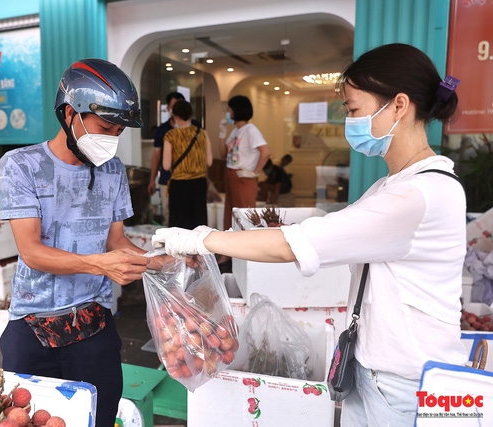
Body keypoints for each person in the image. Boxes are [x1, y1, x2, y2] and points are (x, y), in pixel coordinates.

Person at [152, 43, 467, 427]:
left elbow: (295, 243)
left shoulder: (419, 195)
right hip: (374, 369)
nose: (349, 121)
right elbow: (318, 235)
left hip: (406, 383)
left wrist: (204, 240)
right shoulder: (393, 186)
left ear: (399, 106)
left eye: (353, 109)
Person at [0, 58, 168, 427]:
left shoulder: (113, 171)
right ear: (71, 113)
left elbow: (116, 240)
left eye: (118, 131)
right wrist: (98, 263)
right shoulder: (20, 166)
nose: (112, 138)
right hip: (33, 326)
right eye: (105, 127)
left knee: (98, 418)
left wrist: (161, 263)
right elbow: (32, 252)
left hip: (94, 326)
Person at [148, 92, 201, 225]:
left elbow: (202, 156)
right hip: (168, 180)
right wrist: (152, 180)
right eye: (174, 106)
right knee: (169, 216)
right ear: (168, 109)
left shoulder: (196, 128)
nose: (178, 109)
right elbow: (157, 156)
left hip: (192, 180)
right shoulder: (163, 130)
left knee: (191, 218)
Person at [219, 95, 271, 231]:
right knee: (230, 215)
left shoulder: (251, 130)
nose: (228, 113)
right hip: (232, 175)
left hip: (243, 177)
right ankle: (229, 249)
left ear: (236, 111)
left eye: (230, 110)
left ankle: (245, 249)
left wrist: (254, 172)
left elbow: (265, 152)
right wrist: (222, 134)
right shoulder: (236, 131)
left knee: (244, 215)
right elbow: (223, 154)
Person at [162, 99, 213, 229]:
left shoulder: (170, 135)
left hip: (179, 186)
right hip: (199, 185)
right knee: (198, 226)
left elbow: (166, 166)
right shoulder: (202, 133)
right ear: (191, 115)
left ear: (175, 116)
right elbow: (209, 161)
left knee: (179, 228)